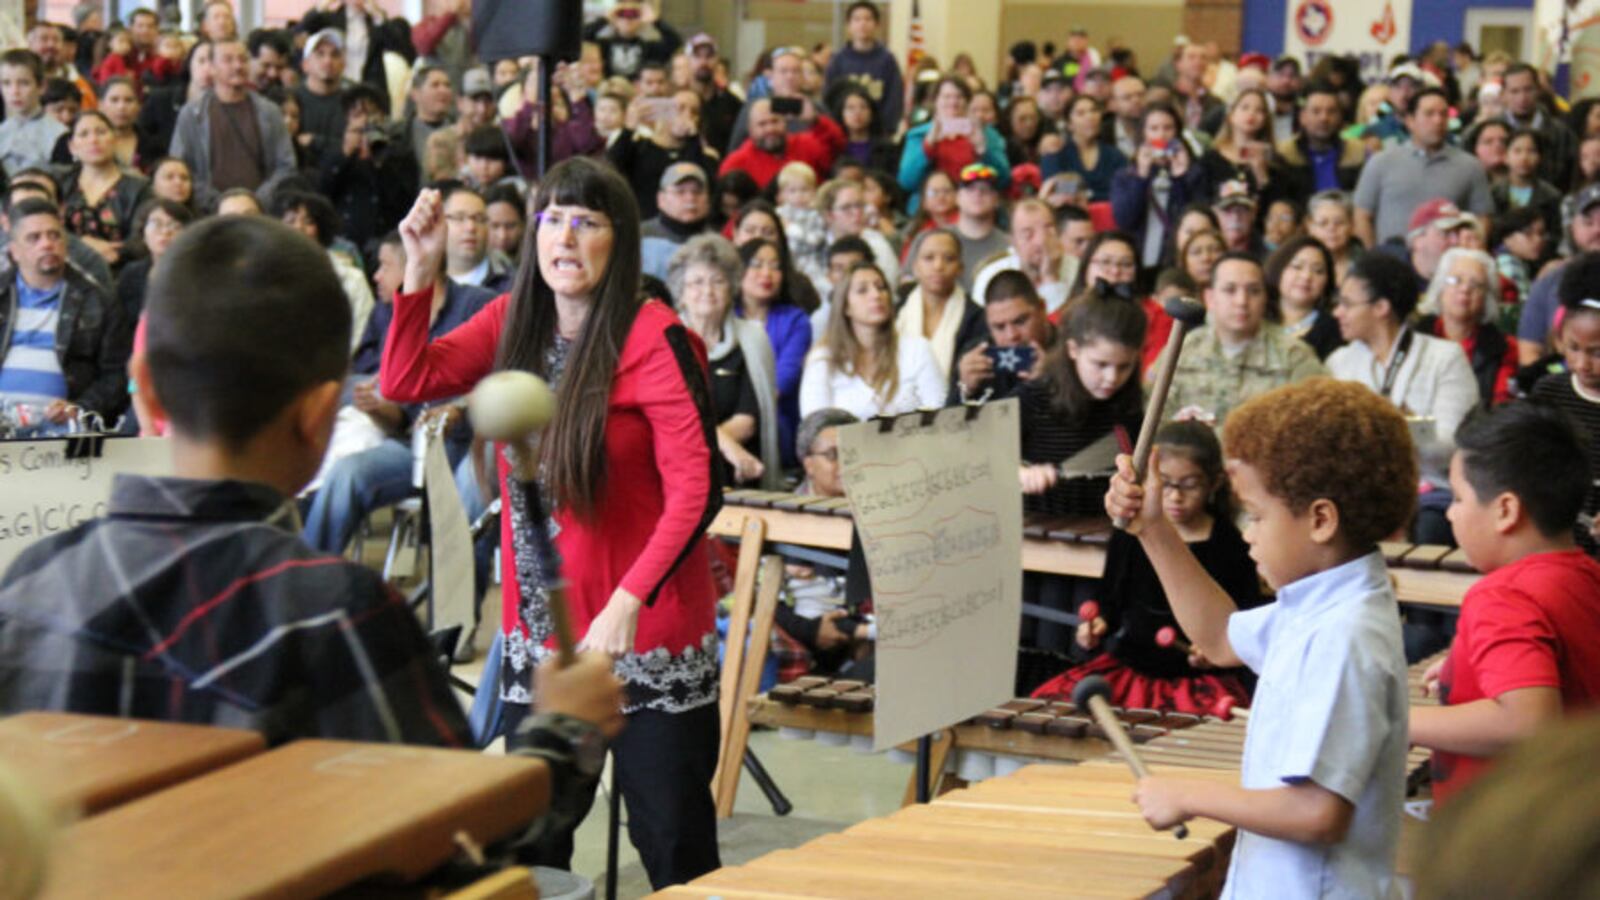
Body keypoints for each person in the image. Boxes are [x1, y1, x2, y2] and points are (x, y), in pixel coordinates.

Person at [0, 211, 629, 829]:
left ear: (145, 389)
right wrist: (565, 735)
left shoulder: (28, 587)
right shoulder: (338, 617)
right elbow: (462, 859)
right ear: (322, 415)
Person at [381, 157, 722, 889]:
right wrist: (419, 270)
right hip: (543, 638)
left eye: (588, 221)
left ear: (618, 240)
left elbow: (699, 490)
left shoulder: (654, 337)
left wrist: (629, 601)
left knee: (674, 848)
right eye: (553, 218)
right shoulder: (513, 321)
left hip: (646, 633)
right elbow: (404, 382)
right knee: (536, 849)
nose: (566, 235)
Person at [1114, 377, 1415, 898]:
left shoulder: (1345, 636)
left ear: (1321, 519)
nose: (1248, 532)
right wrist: (1153, 529)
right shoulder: (1320, 604)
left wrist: (1189, 793)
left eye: (1256, 516)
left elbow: (1318, 813)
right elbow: (1219, 638)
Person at [1409, 402, 1600, 807]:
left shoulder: (1502, 596)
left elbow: (1526, 722)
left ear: (1506, 511)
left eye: (1458, 497)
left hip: (1513, 837)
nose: (1449, 512)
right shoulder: (1585, 575)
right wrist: (1469, 663)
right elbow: (1569, 657)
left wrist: (1396, 724)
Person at [1033, 421, 1263, 711]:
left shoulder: (1231, 547)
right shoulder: (1132, 533)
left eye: (1190, 485)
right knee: (1052, 707)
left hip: (1197, 683)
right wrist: (1098, 623)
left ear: (1214, 483)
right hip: (1131, 672)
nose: (1176, 496)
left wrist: (1216, 652)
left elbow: (1246, 623)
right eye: (1166, 484)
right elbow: (1110, 599)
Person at [0, 197, 129, 431]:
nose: (47, 244)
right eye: (34, 238)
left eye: (54, 235)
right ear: (14, 252)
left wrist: (80, 408)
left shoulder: (98, 300)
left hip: (64, 432)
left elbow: (118, 376)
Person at [1328, 252, 1479, 445]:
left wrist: (1404, 425)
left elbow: (1454, 443)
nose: (1336, 312)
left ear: (1381, 307)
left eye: (1347, 304)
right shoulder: (1337, 362)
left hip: (1425, 474)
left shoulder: (1445, 359)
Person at [1017, 294, 1145, 519]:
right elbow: (984, 461)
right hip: (1041, 531)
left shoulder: (1131, 406)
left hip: (1108, 530)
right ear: (1073, 350)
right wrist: (1019, 473)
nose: (1111, 378)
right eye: (1101, 364)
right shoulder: (1034, 398)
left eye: (1124, 366)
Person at [668, 234, 779, 486]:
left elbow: (748, 421)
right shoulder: (665, 343)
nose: (707, 291)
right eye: (696, 282)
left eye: (717, 281)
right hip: (680, 476)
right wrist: (730, 449)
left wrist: (710, 443)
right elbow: (675, 420)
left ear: (731, 289)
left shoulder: (753, 338)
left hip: (740, 477)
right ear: (681, 293)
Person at [1165, 254, 1327, 425]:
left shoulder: (1295, 356)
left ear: (1265, 297)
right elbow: (1155, 417)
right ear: (1210, 298)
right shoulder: (1183, 349)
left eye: (1253, 291)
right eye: (1230, 290)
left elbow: (1317, 425)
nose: (1242, 301)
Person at [800, 261, 943, 419]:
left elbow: (942, 417)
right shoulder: (823, 359)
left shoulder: (918, 349)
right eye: (862, 290)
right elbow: (815, 428)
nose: (876, 295)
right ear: (845, 306)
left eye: (881, 287)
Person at [1353, 88, 1493, 247]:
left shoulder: (1470, 166)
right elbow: (1362, 215)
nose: (1438, 120)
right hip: (1392, 261)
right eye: (1429, 114)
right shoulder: (1381, 162)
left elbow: (1482, 218)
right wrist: (1374, 259)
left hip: (1447, 263)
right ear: (1410, 121)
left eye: (1443, 114)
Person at [168, 39, 295, 208]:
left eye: (243, 60)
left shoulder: (269, 112)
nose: (237, 66)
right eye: (228, 60)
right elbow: (180, 167)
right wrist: (218, 203)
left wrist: (256, 202)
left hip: (260, 212)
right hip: (207, 212)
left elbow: (285, 165)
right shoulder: (192, 114)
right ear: (212, 67)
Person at [1529, 255, 1600, 554]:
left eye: (1597, 353)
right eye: (1573, 348)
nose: (1582, 363)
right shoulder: (1548, 392)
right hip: (1558, 541)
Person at [735, 231, 813, 469]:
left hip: (777, 416)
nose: (767, 274)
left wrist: (746, 414)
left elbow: (783, 379)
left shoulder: (795, 320)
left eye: (775, 266)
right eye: (757, 265)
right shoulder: (727, 318)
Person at [1112, 103, 1209, 271]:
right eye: (1154, 128)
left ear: (1177, 132)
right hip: (1137, 259)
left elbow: (1193, 220)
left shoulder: (1195, 173)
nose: (1161, 135)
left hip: (1176, 261)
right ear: (1143, 133)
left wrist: (1180, 180)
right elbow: (1125, 220)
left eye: (1168, 128)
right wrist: (1141, 177)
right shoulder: (1126, 175)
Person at [1416, 248, 1517, 405]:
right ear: (1440, 288)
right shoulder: (1416, 337)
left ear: (1486, 298)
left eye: (1476, 284)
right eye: (1456, 280)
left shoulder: (1503, 347)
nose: (1465, 289)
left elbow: (1501, 408)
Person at [898, 76, 1010, 212]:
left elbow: (1004, 179)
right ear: (935, 101)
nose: (953, 102)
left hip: (975, 206)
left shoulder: (987, 134)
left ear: (968, 102)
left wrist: (983, 151)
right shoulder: (918, 135)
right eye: (946, 97)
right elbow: (906, 181)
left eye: (959, 97)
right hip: (930, 208)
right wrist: (928, 146)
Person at [60, 110, 152, 269]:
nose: (93, 140)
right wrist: (81, 246)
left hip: (122, 272)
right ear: (72, 147)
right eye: (84, 134)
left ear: (115, 139)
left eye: (101, 132)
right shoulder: (61, 185)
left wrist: (115, 252)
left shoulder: (139, 188)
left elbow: (142, 239)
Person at [897, 228, 984, 383]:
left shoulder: (977, 318)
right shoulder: (896, 312)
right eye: (929, 258)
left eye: (949, 258)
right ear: (915, 267)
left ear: (960, 268)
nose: (938, 266)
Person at [951, 270, 1051, 404]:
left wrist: (1053, 384)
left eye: (1020, 321)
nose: (1011, 335)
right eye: (999, 327)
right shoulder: (976, 355)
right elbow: (944, 422)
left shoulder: (1069, 348)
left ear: (1042, 309)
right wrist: (965, 390)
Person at [970, 198, 1081, 315]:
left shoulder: (1078, 270)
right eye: (1028, 234)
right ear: (1012, 241)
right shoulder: (991, 276)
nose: (1041, 241)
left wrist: (1051, 278)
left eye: (1049, 230)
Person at [717, 95, 842, 190]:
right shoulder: (736, 163)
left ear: (785, 122)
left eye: (775, 121)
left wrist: (815, 121)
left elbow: (838, 146)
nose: (770, 129)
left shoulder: (806, 144)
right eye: (762, 124)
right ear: (750, 129)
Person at [1273, 83, 1366, 201]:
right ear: (1303, 117)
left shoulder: (1358, 153)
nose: (1324, 118)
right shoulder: (1284, 154)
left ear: (1340, 117)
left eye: (1331, 111)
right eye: (1316, 111)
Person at [824, 2, 903, 128]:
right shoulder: (838, 60)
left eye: (868, 19)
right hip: (843, 133)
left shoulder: (887, 60)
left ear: (877, 25)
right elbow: (829, 99)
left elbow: (894, 99)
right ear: (849, 26)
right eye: (857, 19)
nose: (862, 24)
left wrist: (885, 130)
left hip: (879, 134)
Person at [113, 198, 192, 323]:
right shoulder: (130, 273)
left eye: (175, 226)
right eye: (157, 224)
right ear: (143, 233)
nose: (165, 232)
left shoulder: (196, 276)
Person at [1265, 235, 1343, 359]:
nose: (1306, 276)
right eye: (1297, 267)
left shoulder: (1335, 331)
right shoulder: (1257, 318)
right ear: (1278, 270)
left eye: (1318, 271)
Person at [1040, 95, 1126, 202]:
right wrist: (1091, 194)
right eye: (1081, 113)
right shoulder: (1056, 154)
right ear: (1069, 124)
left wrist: (1084, 192)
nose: (1090, 117)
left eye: (1094, 110)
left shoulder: (1115, 155)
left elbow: (1123, 191)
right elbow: (1055, 188)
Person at [641, 161, 712, 280]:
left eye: (697, 192)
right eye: (680, 192)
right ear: (661, 199)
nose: (690, 198)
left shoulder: (717, 244)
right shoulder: (639, 238)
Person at [0, 49, 67, 174]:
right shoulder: (3, 131)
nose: (14, 91)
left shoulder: (58, 135)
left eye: (24, 83)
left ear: (41, 86)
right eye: (6, 83)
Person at [439, 185, 511, 293]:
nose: (471, 227)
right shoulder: (422, 279)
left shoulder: (510, 284)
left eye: (479, 219)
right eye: (459, 218)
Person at [950, 163, 1009, 294]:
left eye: (986, 189)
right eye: (970, 188)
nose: (978, 193)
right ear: (957, 197)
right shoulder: (931, 240)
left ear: (996, 199)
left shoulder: (1010, 246)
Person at [1305, 190, 1361, 285]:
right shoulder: (1298, 263)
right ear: (1310, 226)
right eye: (1323, 223)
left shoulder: (1366, 265)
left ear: (1352, 226)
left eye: (1339, 222)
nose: (1331, 229)